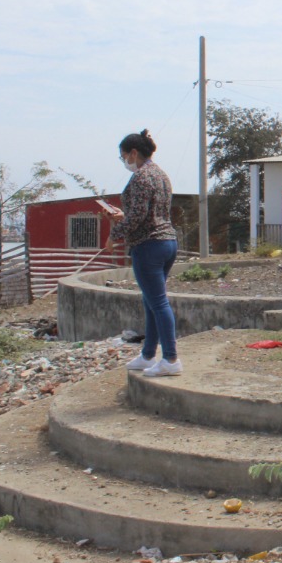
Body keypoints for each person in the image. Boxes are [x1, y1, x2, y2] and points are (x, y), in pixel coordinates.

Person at [109, 129, 182, 377]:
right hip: (167, 241)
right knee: (151, 300)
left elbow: (139, 216)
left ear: (133, 153)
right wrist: (124, 217)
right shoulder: (160, 174)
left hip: (148, 245)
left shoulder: (141, 177)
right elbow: (150, 211)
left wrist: (114, 234)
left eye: (123, 156)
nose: (124, 161)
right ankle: (148, 354)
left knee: (158, 302)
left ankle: (170, 359)